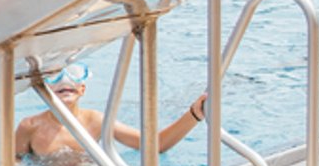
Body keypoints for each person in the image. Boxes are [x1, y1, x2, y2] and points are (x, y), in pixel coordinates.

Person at [14, 63, 208, 160]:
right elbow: (14, 162)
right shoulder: (30, 126)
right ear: (43, 89)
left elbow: (155, 145)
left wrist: (194, 114)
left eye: (73, 76)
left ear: (83, 90)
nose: (65, 81)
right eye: (54, 76)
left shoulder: (96, 121)